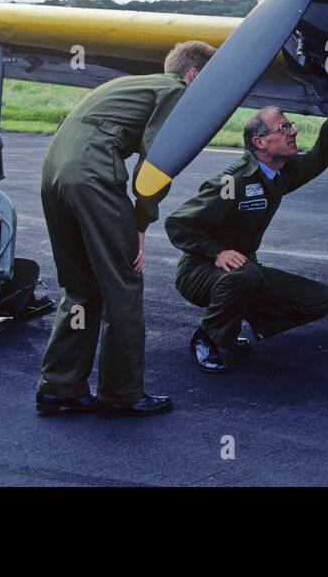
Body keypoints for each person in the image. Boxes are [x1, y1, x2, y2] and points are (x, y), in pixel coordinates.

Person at [35, 39, 216, 417]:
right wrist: (141, 220)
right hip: (92, 175)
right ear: (193, 74)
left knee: (81, 286)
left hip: (54, 172)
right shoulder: (176, 90)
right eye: (209, 82)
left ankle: (60, 387)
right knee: (124, 284)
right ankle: (121, 394)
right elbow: (157, 158)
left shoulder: (134, 84)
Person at [166, 82, 328, 374]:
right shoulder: (233, 182)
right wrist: (217, 252)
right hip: (199, 272)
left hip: (241, 271)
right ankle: (207, 336)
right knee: (245, 273)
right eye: (283, 128)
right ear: (260, 143)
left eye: (291, 126)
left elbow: (320, 157)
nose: (294, 132)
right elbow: (178, 224)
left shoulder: (281, 172)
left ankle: (232, 319)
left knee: (320, 299)